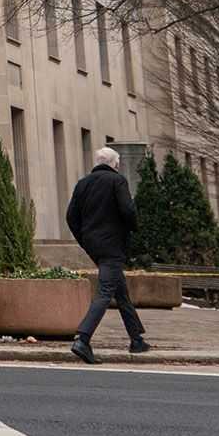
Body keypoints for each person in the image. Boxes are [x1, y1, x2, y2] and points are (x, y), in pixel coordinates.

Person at [65, 145, 150, 364]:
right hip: (113, 245)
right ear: (115, 164)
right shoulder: (117, 181)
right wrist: (135, 227)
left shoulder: (82, 184)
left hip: (94, 245)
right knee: (105, 292)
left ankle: (136, 339)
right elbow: (128, 210)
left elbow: (71, 216)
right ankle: (83, 339)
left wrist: (85, 240)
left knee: (119, 289)